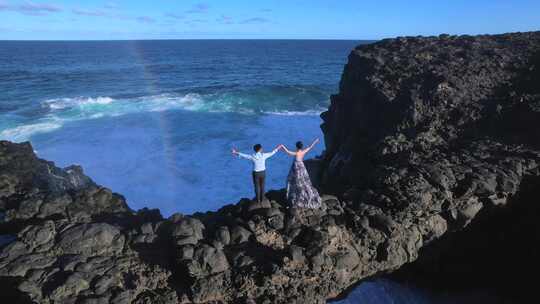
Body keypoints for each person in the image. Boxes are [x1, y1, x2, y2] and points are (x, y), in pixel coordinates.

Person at [281, 138, 323, 208]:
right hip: (302, 166)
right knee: (304, 181)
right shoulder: (303, 152)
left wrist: (282, 147)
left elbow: (288, 152)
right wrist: (315, 141)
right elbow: (310, 147)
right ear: (301, 146)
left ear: (296, 146)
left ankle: (295, 194)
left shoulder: (297, 153)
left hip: (296, 167)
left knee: (295, 180)